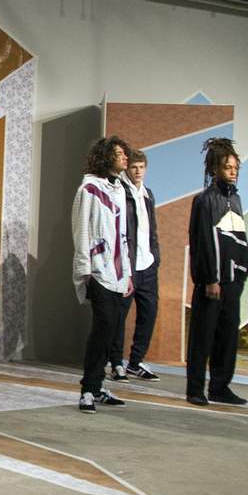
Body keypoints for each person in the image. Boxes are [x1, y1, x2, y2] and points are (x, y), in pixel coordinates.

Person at [185, 138, 248, 407]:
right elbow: (202, 242)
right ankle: (195, 389)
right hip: (212, 282)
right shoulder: (204, 200)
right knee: (203, 336)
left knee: (227, 336)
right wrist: (210, 278)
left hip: (233, 281)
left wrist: (242, 272)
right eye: (227, 167)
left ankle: (220, 387)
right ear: (215, 169)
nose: (233, 172)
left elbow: (241, 239)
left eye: (235, 167)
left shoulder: (236, 199)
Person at [70, 136, 132, 414]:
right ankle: (87, 389)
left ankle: (97, 386)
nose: (125, 157)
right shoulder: (89, 189)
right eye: (119, 153)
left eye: (125, 153)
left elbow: (123, 235)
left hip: (118, 274)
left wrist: (127, 273)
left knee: (112, 329)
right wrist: (85, 270)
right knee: (103, 326)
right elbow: (81, 230)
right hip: (98, 270)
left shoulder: (120, 189)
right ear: (106, 157)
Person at [108, 149, 161, 382]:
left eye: (141, 167)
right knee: (119, 316)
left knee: (149, 313)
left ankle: (136, 362)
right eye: (134, 167)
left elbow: (151, 228)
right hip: (128, 266)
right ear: (127, 168)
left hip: (147, 264)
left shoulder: (148, 194)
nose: (138, 171)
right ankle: (116, 363)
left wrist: (155, 257)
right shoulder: (120, 192)